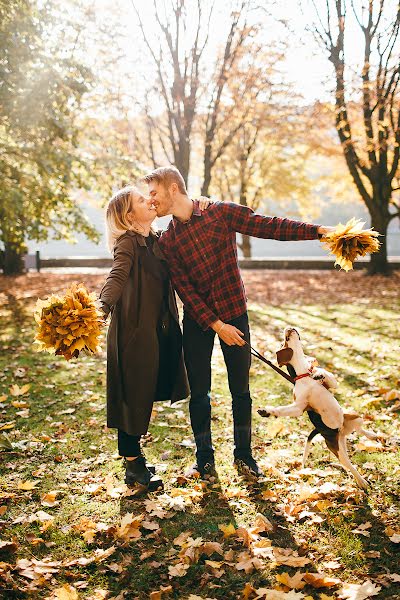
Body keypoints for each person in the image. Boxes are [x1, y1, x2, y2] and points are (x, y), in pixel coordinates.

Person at [143, 166, 335, 480]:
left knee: (241, 391)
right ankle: (204, 459)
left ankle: (244, 456)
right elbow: (185, 290)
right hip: (200, 323)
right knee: (200, 393)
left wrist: (318, 231)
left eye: (154, 193)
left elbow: (269, 226)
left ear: (173, 188)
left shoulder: (220, 213)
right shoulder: (168, 241)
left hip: (235, 312)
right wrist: (217, 325)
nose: (151, 201)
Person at [99, 185, 194, 492]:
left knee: (144, 391)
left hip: (157, 328)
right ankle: (132, 464)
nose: (149, 200)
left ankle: (134, 455)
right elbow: (117, 275)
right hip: (134, 331)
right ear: (129, 215)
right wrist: (102, 307)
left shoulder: (154, 239)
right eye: (142, 200)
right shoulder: (128, 242)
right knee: (133, 394)